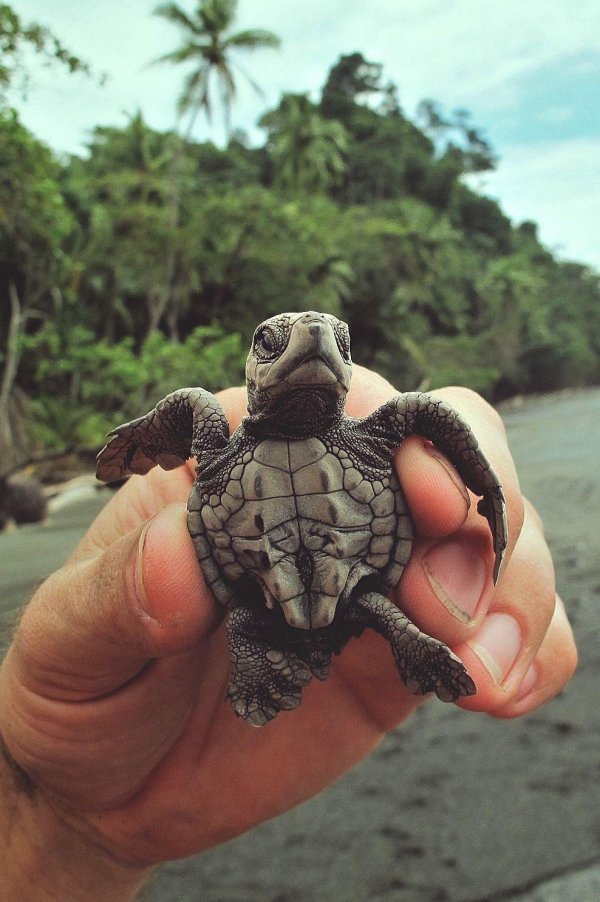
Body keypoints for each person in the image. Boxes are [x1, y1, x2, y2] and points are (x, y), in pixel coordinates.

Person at [0, 366, 577, 902]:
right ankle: (383, 645)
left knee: (377, 593)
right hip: (264, 603)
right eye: (277, 344)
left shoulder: (375, 433)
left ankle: (407, 641)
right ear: (255, 370)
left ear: (342, 367)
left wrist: (488, 493)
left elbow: (426, 416)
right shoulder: (217, 438)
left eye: (335, 342)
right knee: (257, 619)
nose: (311, 345)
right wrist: (61, 823)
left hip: (349, 589)